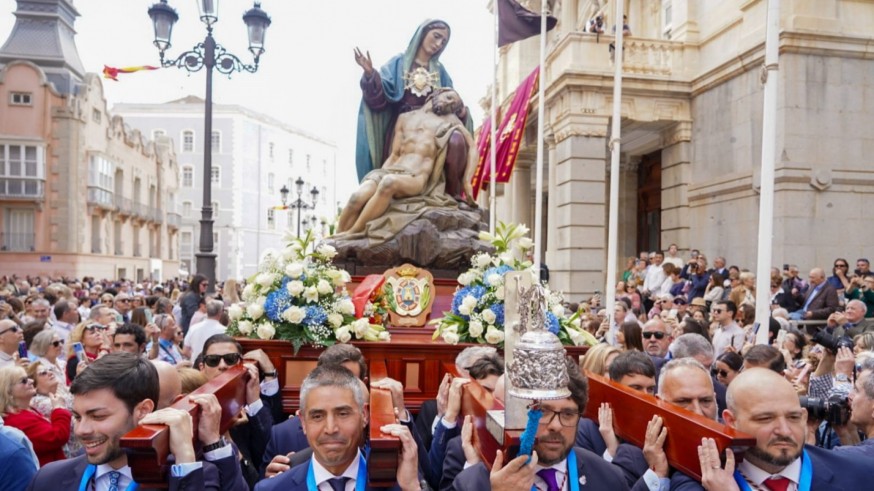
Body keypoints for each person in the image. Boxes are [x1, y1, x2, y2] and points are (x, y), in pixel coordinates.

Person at [26, 353, 230, 490]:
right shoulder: (47, 479)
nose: (81, 430)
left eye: (98, 416)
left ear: (143, 410)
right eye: (78, 416)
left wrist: (185, 455)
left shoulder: (192, 477)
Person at [452, 359, 629, 491]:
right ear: (516, 416)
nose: (556, 426)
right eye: (543, 412)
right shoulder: (473, 484)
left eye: (568, 414)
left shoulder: (609, 479)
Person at [354, 20, 472, 201]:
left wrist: (462, 112)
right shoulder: (399, 63)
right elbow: (380, 99)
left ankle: (451, 192)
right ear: (423, 33)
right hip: (405, 126)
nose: (439, 44)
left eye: (443, 42)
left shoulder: (440, 72)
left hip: (434, 127)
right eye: (436, 36)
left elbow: (453, 101)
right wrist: (371, 75)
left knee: (456, 140)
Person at [254, 365, 423, 491]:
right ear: (303, 422)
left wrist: (411, 487)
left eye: (343, 414)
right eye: (317, 416)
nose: (330, 428)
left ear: (364, 415)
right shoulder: (272, 489)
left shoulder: (400, 485)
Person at [698, 368, 869, 490]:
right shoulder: (701, 479)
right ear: (731, 421)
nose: (785, 431)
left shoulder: (857, 472)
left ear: (804, 417)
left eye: (793, 417)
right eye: (766, 418)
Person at [337, 87, 477, 236]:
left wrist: (467, 181)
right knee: (356, 197)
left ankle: (354, 232)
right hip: (392, 170)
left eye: (453, 104)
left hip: (416, 177)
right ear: (436, 93)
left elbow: (473, 148)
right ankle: (334, 245)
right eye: (449, 97)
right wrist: (378, 176)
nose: (449, 103)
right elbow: (395, 154)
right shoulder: (404, 118)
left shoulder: (451, 120)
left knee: (388, 183)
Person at [0, 365, 71, 466]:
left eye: (28, 378)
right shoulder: (16, 420)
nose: (31, 381)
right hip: (49, 475)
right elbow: (58, 436)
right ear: (8, 391)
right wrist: (59, 408)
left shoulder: (25, 410)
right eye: (23, 381)